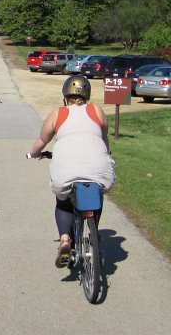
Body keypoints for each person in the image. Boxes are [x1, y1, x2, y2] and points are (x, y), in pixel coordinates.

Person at [28, 75, 115, 267]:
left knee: (64, 202)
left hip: (67, 169)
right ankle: (93, 234)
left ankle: (65, 240)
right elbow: (104, 138)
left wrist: (34, 154)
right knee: (96, 194)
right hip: (98, 166)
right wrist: (106, 154)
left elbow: (41, 141)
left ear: (65, 96)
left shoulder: (58, 113)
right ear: (87, 95)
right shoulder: (97, 111)